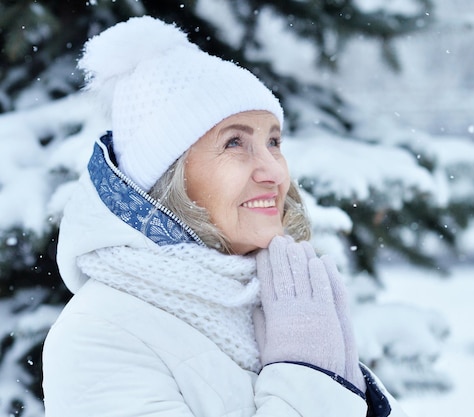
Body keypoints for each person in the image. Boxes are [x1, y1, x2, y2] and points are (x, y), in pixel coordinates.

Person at [42, 16, 407, 417]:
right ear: (169, 176)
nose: (274, 171)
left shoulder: (274, 301)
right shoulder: (99, 337)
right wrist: (309, 374)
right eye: (235, 142)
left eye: (274, 141)